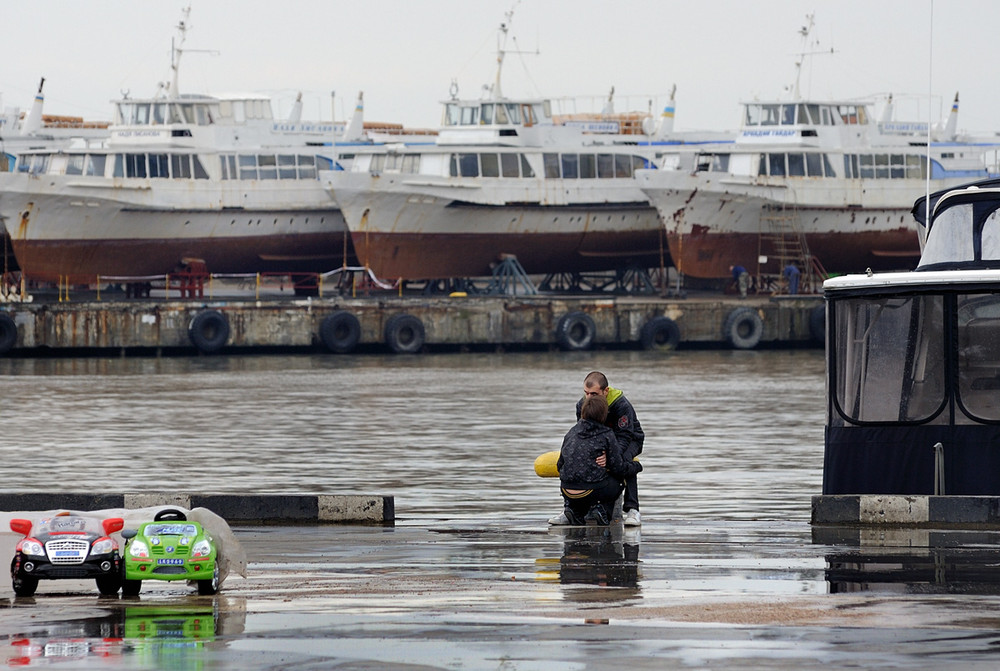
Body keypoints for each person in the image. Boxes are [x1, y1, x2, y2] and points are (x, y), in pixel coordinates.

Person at [549, 371, 645, 526]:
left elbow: (625, 436)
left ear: (605, 391)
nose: (589, 398)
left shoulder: (621, 405)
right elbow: (582, 434)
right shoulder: (582, 404)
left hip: (629, 439)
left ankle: (633, 509)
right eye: (586, 393)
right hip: (602, 441)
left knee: (624, 462)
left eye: (594, 393)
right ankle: (572, 509)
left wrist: (611, 455)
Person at [554, 395, 629, 526]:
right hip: (593, 491)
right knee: (618, 482)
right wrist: (636, 466)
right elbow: (618, 468)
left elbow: (560, 464)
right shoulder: (606, 434)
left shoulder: (571, 432)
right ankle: (602, 510)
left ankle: (574, 510)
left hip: (566, 490)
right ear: (604, 414)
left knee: (585, 486)